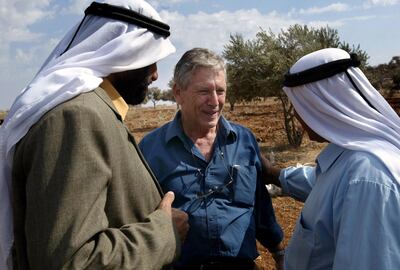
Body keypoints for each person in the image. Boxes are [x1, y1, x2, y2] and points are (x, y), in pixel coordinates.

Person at [0, 1, 189, 269]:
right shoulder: (76, 118)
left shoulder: (97, 111)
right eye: (147, 59)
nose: (155, 74)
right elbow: (72, 260)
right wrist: (164, 233)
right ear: (119, 53)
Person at [139, 48, 285, 270]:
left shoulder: (243, 140)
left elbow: (260, 204)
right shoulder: (151, 149)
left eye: (220, 90)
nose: (215, 101)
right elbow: (138, 218)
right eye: (204, 91)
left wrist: (278, 251)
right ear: (178, 93)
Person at [262, 47, 400, 270]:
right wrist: (275, 174)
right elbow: (323, 185)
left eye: (298, 105)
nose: (297, 115)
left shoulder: (368, 178)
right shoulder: (353, 156)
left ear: (319, 105)